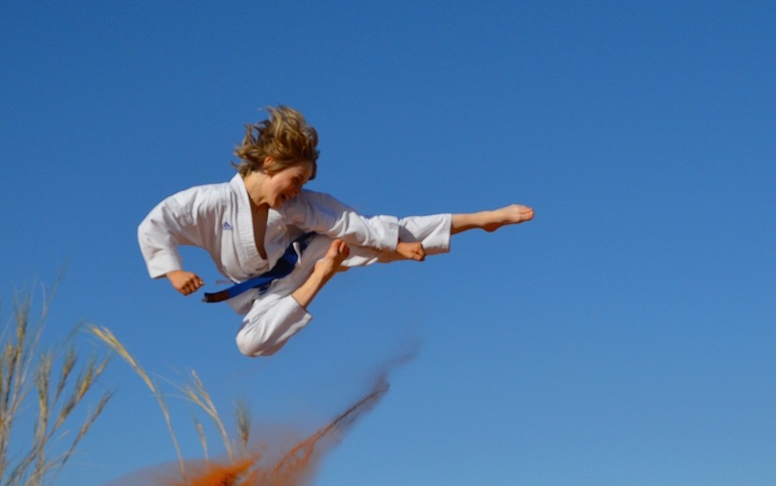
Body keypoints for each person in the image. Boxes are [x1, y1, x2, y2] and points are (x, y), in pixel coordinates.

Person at [138, 105, 533, 357]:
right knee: (249, 344)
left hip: (303, 254)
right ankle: (323, 276)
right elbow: (157, 223)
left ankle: (481, 219)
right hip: (271, 289)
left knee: (368, 237)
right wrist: (172, 269)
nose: (297, 189)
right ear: (271, 163)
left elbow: (348, 223)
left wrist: (395, 243)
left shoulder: (297, 206)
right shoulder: (209, 202)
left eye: (303, 183)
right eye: (295, 179)